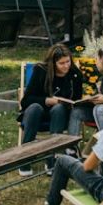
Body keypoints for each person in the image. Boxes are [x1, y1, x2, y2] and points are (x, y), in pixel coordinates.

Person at [18, 43, 83, 174]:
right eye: (61, 63)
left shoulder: (74, 74)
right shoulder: (41, 71)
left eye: (68, 61)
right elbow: (26, 101)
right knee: (35, 107)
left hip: (60, 115)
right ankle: (25, 159)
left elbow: (76, 100)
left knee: (58, 108)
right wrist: (47, 101)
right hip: (37, 115)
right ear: (53, 64)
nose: (66, 66)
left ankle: (51, 159)